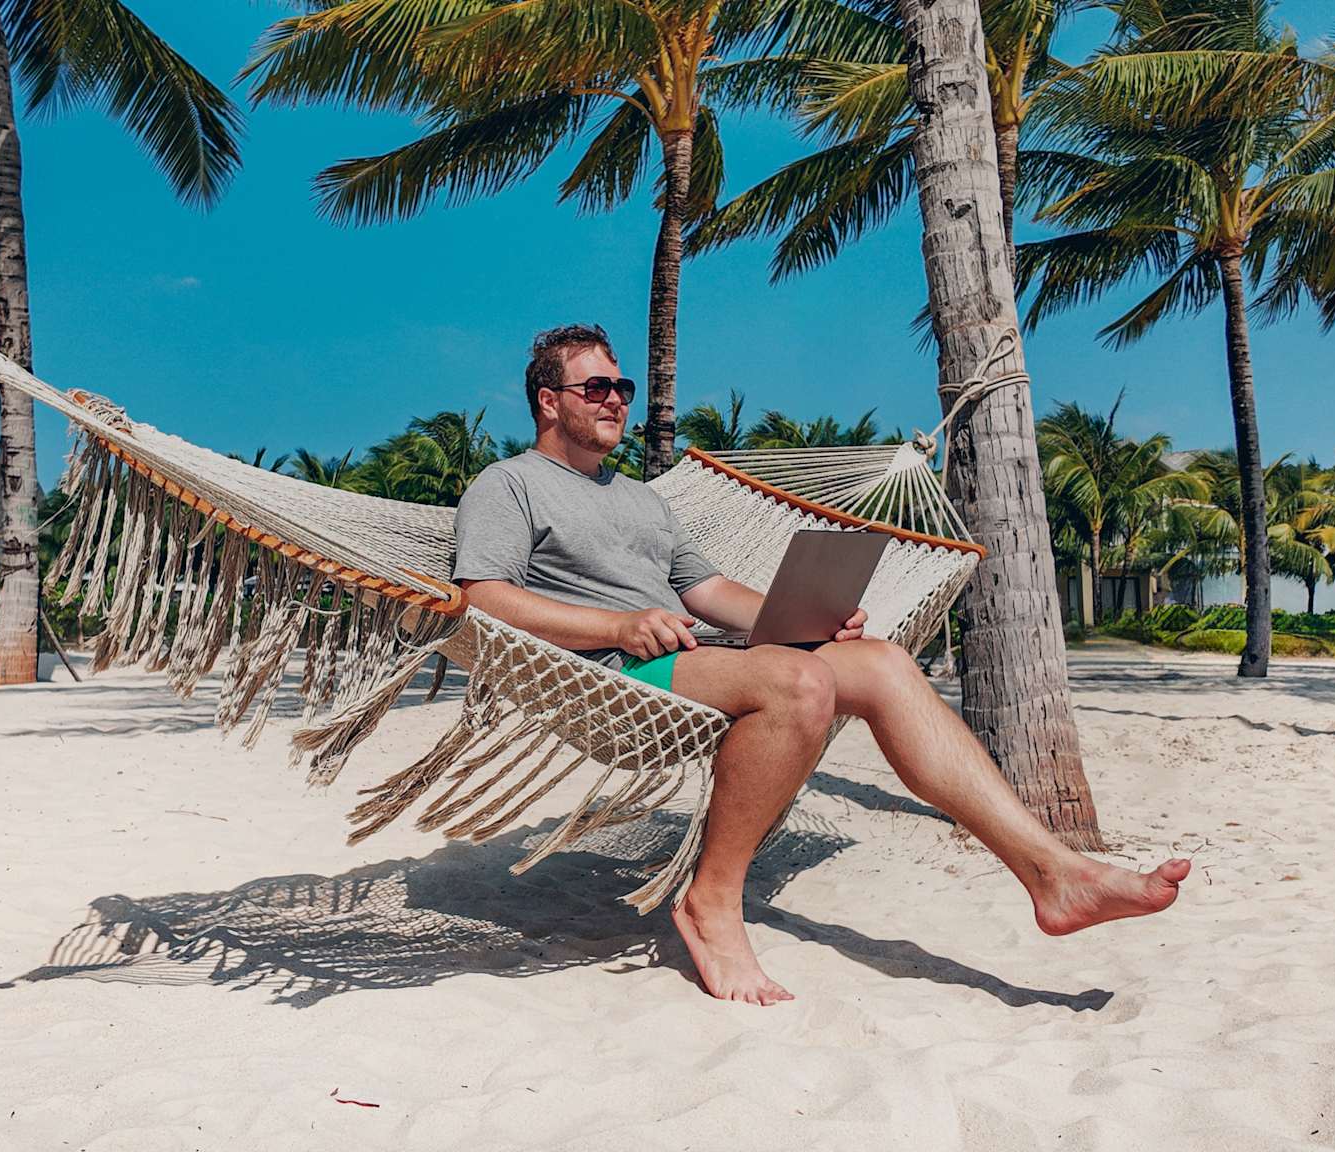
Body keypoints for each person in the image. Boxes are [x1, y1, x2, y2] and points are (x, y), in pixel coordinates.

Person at [453, 324, 1190, 1005]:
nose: (616, 400)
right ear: (549, 402)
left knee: (881, 663)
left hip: (690, 658)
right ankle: (711, 901)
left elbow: (706, 592)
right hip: (606, 677)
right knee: (801, 682)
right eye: (596, 389)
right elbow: (483, 596)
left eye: (623, 388)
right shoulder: (507, 485)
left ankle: (1054, 873)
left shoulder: (645, 501)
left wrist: (807, 616)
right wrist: (618, 622)